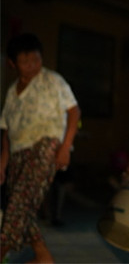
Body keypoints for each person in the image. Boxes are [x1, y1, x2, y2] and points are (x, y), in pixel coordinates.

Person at [0, 32, 81, 263]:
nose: (32, 66)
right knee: (21, 203)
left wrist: (66, 146)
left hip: (46, 148)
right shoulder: (12, 91)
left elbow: (74, 111)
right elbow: (6, 130)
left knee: (20, 203)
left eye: (36, 60)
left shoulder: (52, 80)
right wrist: (3, 161)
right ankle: (43, 256)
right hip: (18, 154)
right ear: (12, 63)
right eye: (25, 62)